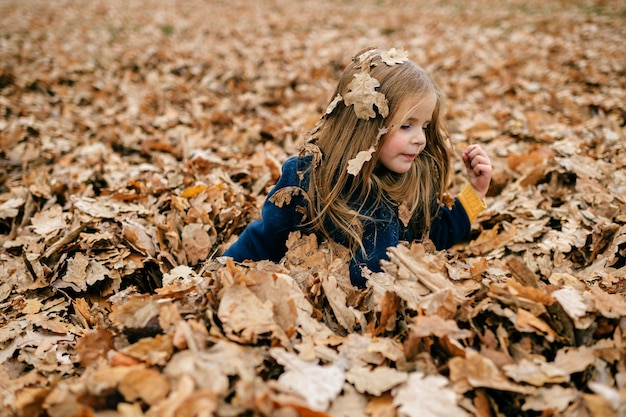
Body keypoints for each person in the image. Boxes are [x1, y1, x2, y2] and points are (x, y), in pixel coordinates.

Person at [224, 47, 492, 287]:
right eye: (406, 125)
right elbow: (263, 240)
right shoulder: (307, 179)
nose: (420, 138)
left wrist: (475, 193)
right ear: (365, 124)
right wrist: (220, 273)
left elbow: (435, 236)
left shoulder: (412, 181)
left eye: (425, 126)